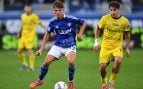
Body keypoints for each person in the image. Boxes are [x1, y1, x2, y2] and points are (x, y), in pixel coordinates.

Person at [29, 1, 87, 89]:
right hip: (58, 46)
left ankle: (71, 82)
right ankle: (39, 81)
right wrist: (41, 49)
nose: (56, 12)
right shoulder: (52, 22)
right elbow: (47, 34)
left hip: (70, 46)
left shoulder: (71, 19)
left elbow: (83, 23)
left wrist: (80, 34)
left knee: (71, 62)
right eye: (55, 11)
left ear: (63, 10)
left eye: (58, 10)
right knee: (46, 62)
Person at [93, 1, 130, 89]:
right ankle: (104, 81)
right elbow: (98, 29)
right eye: (110, 10)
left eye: (114, 10)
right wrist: (96, 41)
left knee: (118, 61)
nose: (112, 12)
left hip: (117, 46)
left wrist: (127, 48)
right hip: (106, 46)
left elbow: (127, 35)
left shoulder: (125, 21)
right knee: (102, 67)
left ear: (119, 10)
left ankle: (112, 81)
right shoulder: (105, 18)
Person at [17, 4, 46, 72]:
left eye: (28, 9)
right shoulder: (23, 16)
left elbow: (40, 23)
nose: (27, 10)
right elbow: (22, 25)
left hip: (30, 36)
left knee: (30, 51)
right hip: (23, 36)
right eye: (26, 9)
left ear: (31, 9)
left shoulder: (34, 16)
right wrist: (19, 33)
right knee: (19, 51)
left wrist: (46, 29)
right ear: (24, 9)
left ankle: (32, 67)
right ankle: (24, 64)